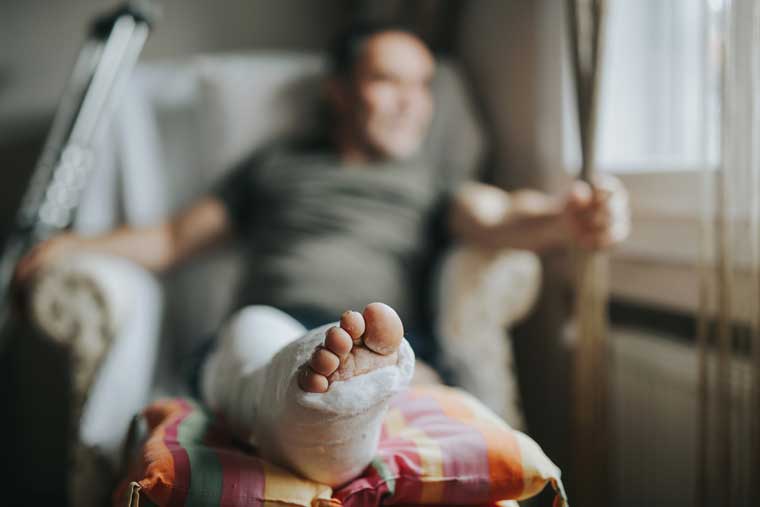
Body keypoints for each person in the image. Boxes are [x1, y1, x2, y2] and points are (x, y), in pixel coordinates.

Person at [12, 22, 629, 485]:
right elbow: (172, 238)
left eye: (422, 86)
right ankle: (318, 401)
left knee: (405, 376)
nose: (411, 102)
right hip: (267, 328)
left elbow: (497, 215)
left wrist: (564, 217)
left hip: (393, 348)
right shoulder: (275, 166)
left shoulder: (430, 183)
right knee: (257, 340)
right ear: (339, 91)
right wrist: (72, 245)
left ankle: (329, 404)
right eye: (387, 81)